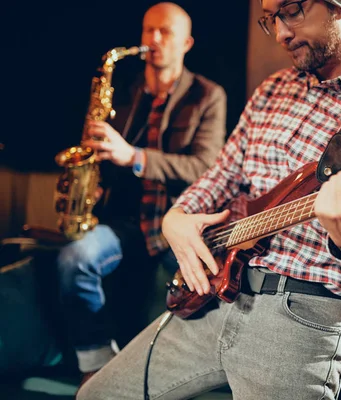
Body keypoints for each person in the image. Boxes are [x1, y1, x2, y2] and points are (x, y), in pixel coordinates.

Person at [78, 0, 341, 398]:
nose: (280, 33)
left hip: (300, 322)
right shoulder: (272, 89)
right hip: (219, 296)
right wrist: (176, 217)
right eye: (271, 19)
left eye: (292, 10)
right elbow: (222, 176)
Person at [56, 1, 227, 388]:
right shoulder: (125, 92)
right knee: (74, 258)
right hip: (126, 221)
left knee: (206, 293)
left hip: (176, 223)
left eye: (165, 32)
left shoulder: (207, 96)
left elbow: (203, 167)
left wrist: (133, 157)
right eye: (149, 29)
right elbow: (106, 155)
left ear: (187, 42)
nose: (153, 39)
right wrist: (94, 178)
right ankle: (96, 367)